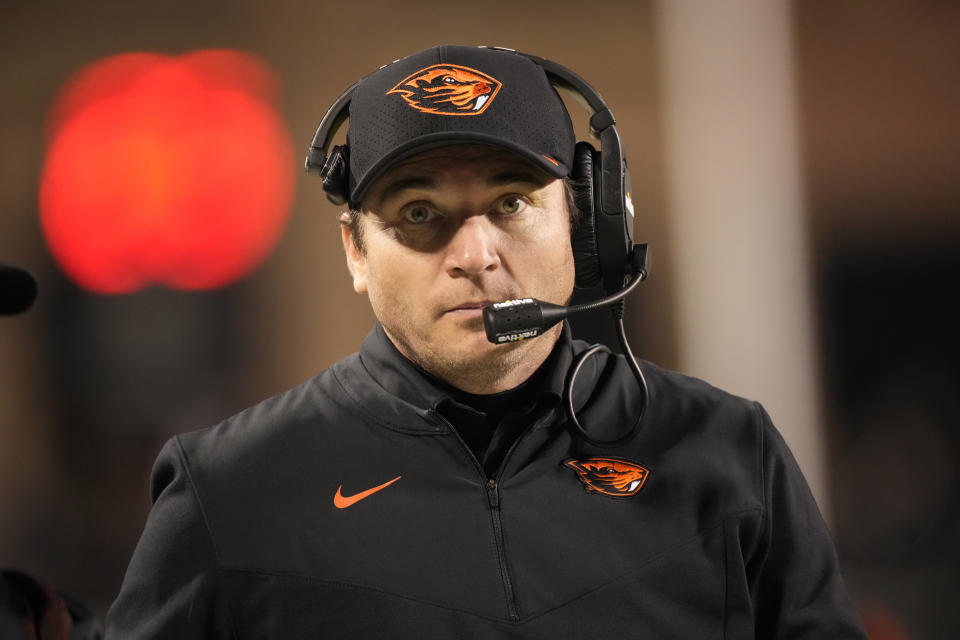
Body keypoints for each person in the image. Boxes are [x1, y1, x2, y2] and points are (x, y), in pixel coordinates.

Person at [105, 45, 868, 638]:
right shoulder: (230, 488)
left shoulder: (729, 451)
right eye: (418, 214)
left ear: (582, 222)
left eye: (511, 203)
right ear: (355, 253)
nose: (475, 254)